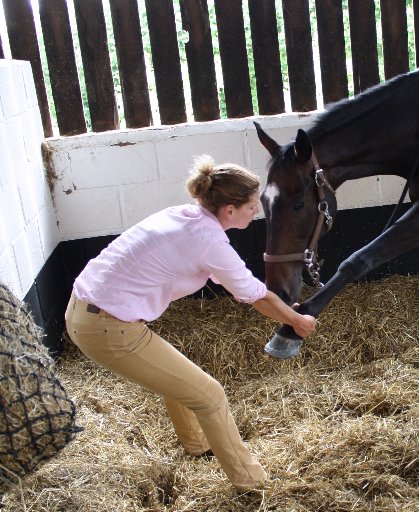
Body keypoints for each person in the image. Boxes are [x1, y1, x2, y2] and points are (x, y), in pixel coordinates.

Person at [65, 155, 317, 493]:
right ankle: (254, 485)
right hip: (108, 327)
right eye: (253, 206)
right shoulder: (209, 240)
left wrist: (286, 311)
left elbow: (235, 283)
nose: (257, 212)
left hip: (86, 309)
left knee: (183, 379)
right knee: (210, 395)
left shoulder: (183, 217)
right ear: (230, 209)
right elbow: (255, 296)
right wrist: (297, 320)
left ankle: (198, 445)